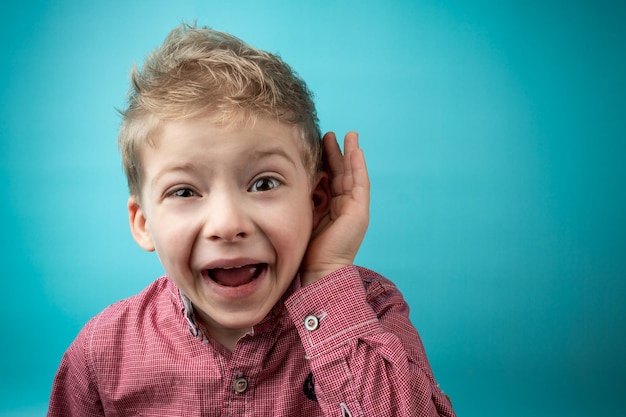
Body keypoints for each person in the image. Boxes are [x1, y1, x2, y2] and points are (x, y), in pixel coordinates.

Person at [47, 23, 456, 417]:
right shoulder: (102, 352)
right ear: (142, 222)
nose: (227, 224)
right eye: (185, 192)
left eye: (263, 184)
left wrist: (327, 274)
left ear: (316, 201)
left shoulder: (371, 311)